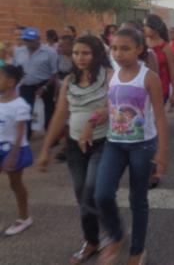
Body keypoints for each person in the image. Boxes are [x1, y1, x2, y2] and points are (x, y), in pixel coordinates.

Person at [94, 28, 169, 265]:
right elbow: (113, 106)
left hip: (142, 147)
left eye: (125, 48)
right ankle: (116, 235)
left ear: (139, 49)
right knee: (102, 194)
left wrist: (162, 152)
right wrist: (95, 119)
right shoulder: (112, 75)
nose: (118, 54)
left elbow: (159, 116)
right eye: (115, 48)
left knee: (138, 200)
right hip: (114, 144)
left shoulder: (148, 77)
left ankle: (137, 251)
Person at [37, 35, 111, 263]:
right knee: (81, 193)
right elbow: (60, 114)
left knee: (90, 190)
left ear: (96, 54)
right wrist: (45, 149)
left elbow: (114, 106)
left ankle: (110, 229)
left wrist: (93, 122)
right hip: (74, 145)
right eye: (76, 53)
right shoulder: (69, 80)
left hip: (102, 142)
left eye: (85, 53)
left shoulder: (108, 77)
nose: (80, 57)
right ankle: (92, 240)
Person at [0, 65, 34, 236]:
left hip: (14, 149)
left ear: (10, 82)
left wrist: (12, 156)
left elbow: (20, 133)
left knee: (15, 184)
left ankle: (24, 217)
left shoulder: (20, 105)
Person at [13, 27, 58, 135]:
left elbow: (55, 73)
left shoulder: (50, 52)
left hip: (45, 86)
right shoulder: (18, 51)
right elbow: (16, 68)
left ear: (38, 39)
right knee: (26, 112)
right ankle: (27, 137)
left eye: (30, 40)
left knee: (48, 112)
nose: (27, 43)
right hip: (26, 87)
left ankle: (50, 136)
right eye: (25, 40)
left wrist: (45, 87)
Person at [143, 14, 174, 106]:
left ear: (155, 27)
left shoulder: (166, 47)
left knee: (156, 118)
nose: (144, 28)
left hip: (161, 88)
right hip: (142, 87)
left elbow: (172, 70)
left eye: (146, 26)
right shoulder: (141, 43)